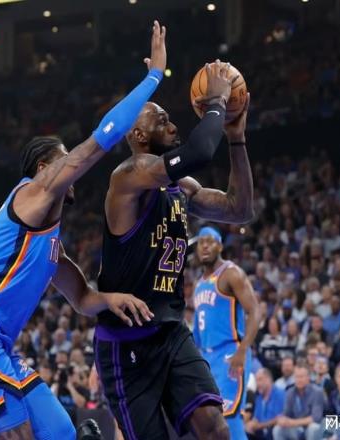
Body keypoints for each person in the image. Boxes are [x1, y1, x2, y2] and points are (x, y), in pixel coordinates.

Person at [0, 20, 166, 439]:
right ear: (45, 168)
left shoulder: (49, 241)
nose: (71, 169)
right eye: (63, 160)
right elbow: (99, 142)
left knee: (62, 430)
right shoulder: (31, 194)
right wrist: (153, 76)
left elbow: (81, 299)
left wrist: (112, 299)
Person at [94, 59, 254, 439]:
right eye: (162, 121)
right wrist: (216, 102)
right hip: (127, 345)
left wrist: (236, 138)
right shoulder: (128, 177)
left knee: (215, 427)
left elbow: (240, 210)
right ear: (138, 135)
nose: (173, 126)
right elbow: (199, 151)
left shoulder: (181, 187)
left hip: (171, 332)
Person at [193, 226, 260, 439]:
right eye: (201, 242)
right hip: (207, 358)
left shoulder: (231, 273)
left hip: (230, 353)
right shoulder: (199, 284)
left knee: (229, 415)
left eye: (210, 241)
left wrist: (242, 350)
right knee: (209, 420)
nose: (205, 246)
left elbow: (255, 311)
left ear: (220, 246)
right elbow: (197, 332)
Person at [273, 364, 324, 440]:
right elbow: (286, 414)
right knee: (277, 429)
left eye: (301, 377)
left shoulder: (317, 392)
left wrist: (293, 422)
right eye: (296, 377)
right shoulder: (290, 392)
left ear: (308, 377)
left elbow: (315, 418)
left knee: (313, 428)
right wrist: (282, 419)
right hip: (296, 429)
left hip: (310, 427)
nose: (299, 380)